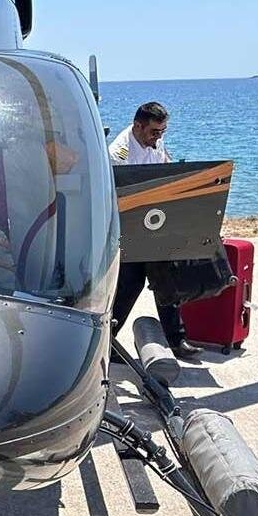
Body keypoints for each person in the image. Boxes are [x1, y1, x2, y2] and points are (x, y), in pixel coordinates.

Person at [108, 102, 203, 360]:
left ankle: (176, 340)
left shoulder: (155, 142)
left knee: (166, 279)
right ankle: (107, 341)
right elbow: (120, 197)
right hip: (128, 226)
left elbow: (166, 171)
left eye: (162, 131)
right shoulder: (119, 154)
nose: (158, 137)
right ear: (138, 126)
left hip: (153, 221)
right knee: (130, 284)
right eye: (154, 132)